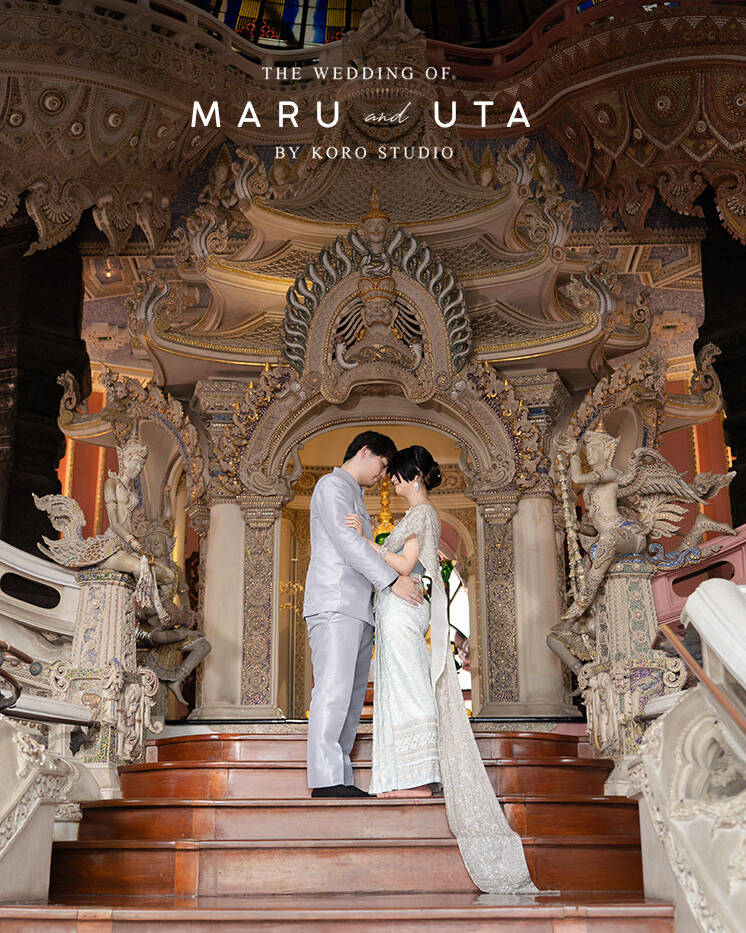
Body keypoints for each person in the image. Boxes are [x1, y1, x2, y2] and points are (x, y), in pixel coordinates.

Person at [345, 445, 539, 893]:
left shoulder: (422, 515)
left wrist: (365, 542)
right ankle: (405, 775)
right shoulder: (421, 517)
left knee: (411, 687)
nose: (390, 482)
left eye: (396, 475)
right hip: (399, 608)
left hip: (402, 608)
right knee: (403, 685)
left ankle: (415, 776)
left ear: (414, 475)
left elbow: (407, 565)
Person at [304, 431, 424, 799]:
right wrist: (392, 582)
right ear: (365, 452)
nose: (383, 475)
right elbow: (348, 544)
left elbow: (365, 546)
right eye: (383, 465)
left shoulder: (353, 495)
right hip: (335, 603)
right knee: (333, 691)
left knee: (352, 698)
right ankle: (326, 781)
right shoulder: (332, 485)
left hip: (357, 609)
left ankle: (338, 777)